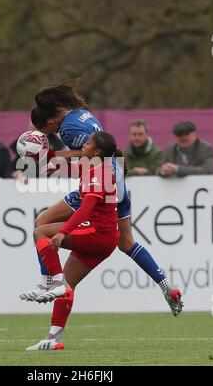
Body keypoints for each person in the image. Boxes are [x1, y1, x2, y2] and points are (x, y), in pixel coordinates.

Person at [20, 81, 183, 317]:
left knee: (41, 223)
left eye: (47, 132)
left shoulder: (67, 129)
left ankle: (49, 282)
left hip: (101, 183)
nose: (49, 136)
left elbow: (88, 152)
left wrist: (53, 157)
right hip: (117, 180)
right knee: (126, 242)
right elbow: (97, 148)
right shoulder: (81, 114)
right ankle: (167, 287)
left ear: (51, 122)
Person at [25, 132, 120, 350]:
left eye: (87, 143)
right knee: (68, 284)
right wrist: (52, 163)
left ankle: (52, 282)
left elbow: (86, 208)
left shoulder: (103, 173)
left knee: (41, 232)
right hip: (103, 238)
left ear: (96, 151)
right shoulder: (93, 168)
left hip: (98, 234)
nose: (82, 146)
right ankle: (54, 338)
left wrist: (64, 231)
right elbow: (71, 166)